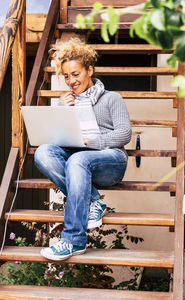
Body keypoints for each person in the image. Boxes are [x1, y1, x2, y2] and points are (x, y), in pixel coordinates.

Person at [34, 38, 132, 261]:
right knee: (43, 153)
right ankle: (94, 201)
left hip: (111, 160)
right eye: (66, 76)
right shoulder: (67, 101)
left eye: (75, 74)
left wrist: (90, 141)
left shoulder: (111, 99)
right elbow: (57, 139)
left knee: (78, 159)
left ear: (90, 70)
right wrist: (61, 110)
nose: (71, 81)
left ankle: (72, 241)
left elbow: (124, 134)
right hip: (78, 161)